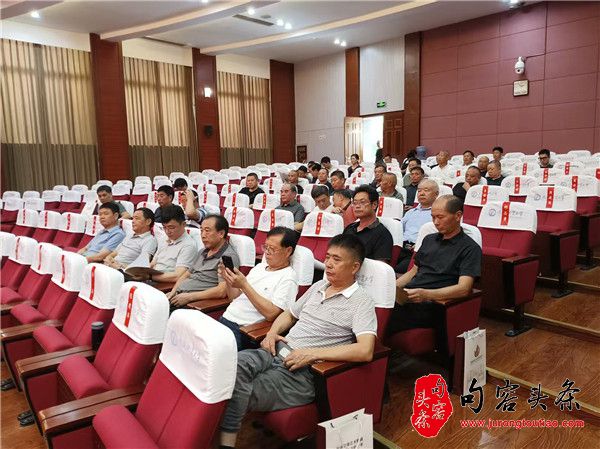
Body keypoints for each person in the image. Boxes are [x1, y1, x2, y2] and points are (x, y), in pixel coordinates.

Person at [218, 234, 376, 449]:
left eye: (337, 259)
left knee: (237, 389)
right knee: (228, 367)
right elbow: (289, 314)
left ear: (355, 267)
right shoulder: (319, 286)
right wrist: (272, 333)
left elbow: (366, 350)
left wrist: (312, 354)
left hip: (302, 371)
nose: (328, 264)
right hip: (276, 351)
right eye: (327, 257)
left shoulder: (362, 301)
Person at [388, 195, 481, 336]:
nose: (436, 222)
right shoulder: (429, 239)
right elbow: (413, 272)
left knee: (382, 317)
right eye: (433, 217)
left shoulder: (470, 248)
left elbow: (464, 288)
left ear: (458, 216)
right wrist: (390, 288)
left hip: (434, 304)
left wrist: (426, 294)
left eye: (440, 217)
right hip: (410, 297)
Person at [218, 226, 299, 351]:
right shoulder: (259, 268)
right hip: (225, 318)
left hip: (244, 330)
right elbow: (234, 297)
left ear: (288, 251)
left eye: (272, 249)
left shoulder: (288, 278)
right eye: (265, 247)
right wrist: (228, 279)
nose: (267, 252)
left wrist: (244, 285)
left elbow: (272, 314)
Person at [167, 215, 240, 310]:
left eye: (207, 230)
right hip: (179, 296)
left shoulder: (228, 257)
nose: (203, 235)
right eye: (201, 230)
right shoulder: (202, 251)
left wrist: (189, 297)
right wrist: (173, 292)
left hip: (194, 303)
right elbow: (186, 274)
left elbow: (222, 291)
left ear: (221, 233)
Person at [395, 179, 438, 273]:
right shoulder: (410, 212)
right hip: (401, 247)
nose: (421, 193)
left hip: (418, 251)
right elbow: (398, 230)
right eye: (419, 191)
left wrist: (420, 245)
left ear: (436, 194)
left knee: (398, 270)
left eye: (426, 190)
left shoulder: (438, 215)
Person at [343, 185, 393, 262]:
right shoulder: (349, 228)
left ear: (374, 205)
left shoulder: (383, 235)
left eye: (362, 202)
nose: (357, 206)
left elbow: (381, 266)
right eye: (355, 203)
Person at [150, 205, 198, 283]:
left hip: (165, 283)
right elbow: (153, 262)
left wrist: (150, 277)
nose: (167, 231)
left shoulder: (188, 245)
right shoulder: (164, 238)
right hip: (152, 277)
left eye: (171, 227)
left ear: (183, 224)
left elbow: (178, 276)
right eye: (164, 227)